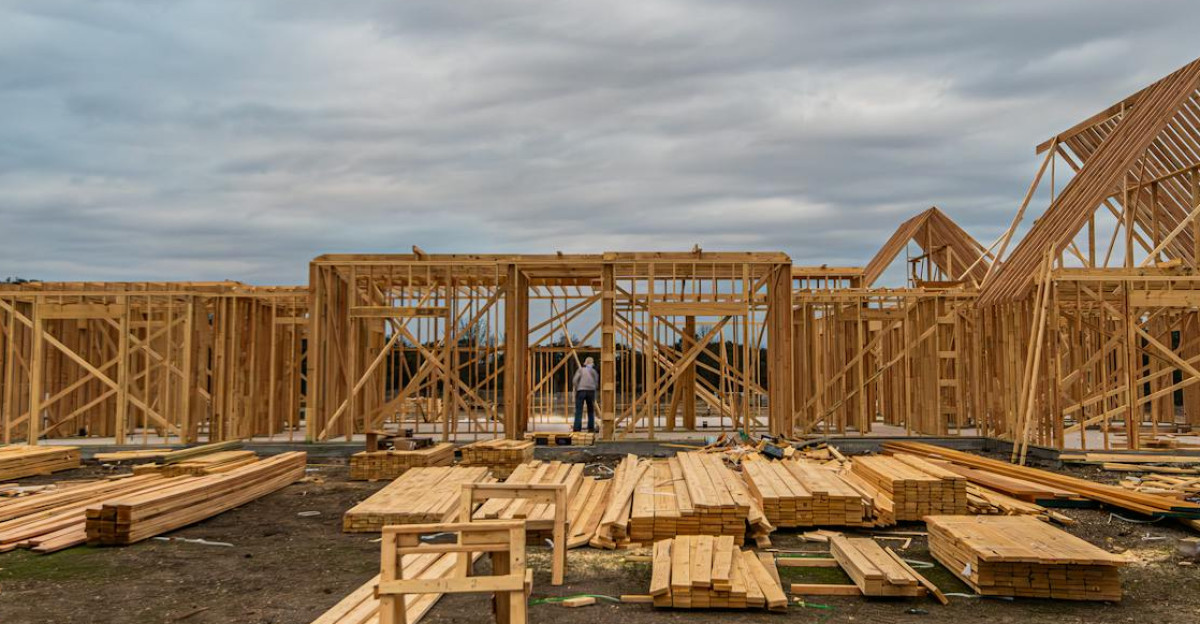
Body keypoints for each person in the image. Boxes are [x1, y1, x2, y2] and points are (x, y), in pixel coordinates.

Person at [572, 356, 599, 433]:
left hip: (581, 391)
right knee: (590, 410)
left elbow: (574, 380)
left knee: (579, 410)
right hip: (591, 391)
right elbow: (596, 382)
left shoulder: (581, 370)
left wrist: (578, 387)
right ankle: (591, 428)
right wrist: (593, 388)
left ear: (585, 363)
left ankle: (577, 428)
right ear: (592, 364)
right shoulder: (594, 372)